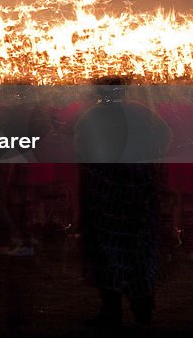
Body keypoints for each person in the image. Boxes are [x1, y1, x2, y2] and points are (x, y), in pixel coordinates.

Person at [76, 78, 170, 327]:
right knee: (137, 246)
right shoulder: (140, 111)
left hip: (107, 192)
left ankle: (113, 308)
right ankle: (142, 306)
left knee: (108, 247)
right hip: (137, 188)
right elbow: (164, 136)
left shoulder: (92, 115)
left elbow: (81, 148)